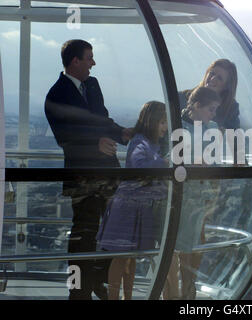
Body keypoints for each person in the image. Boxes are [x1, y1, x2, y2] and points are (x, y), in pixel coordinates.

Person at [45, 39, 132, 300]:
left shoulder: (92, 86)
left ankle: (97, 280)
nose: (93, 63)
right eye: (89, 58)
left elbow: (101, 120)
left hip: (107, 174)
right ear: (75, 61)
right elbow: (65, 138)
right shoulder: (56, 95)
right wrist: (96, 145)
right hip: (84, 179)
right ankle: (78, 292)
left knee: (113, 231)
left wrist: (122, 134)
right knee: (84, 235)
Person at [96, 101, 168, 300]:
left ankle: (127, 297)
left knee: (131, 258)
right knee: (121, 258)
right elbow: (139, 165)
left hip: (138, 206)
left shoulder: (150, 143)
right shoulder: (140, 141)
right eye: (162, 122)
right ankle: (113, 297)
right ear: (152, 121)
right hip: (129, 206)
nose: (165, 127)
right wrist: (163, 163)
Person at [163, 86, 221, 300]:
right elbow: (167, 157)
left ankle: (188, 293)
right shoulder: (175, 125)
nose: (213, 115)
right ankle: (170, 294)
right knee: (171, 250)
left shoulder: (212, 127)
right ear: (196, 106)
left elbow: (215, 159)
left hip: (198, 197)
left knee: (190, 249)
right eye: (211, 109)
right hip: (176, 195)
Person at [178, 59, 239, 130]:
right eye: (212, 73)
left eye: (219, 78)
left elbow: (235, 139)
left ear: (226, 86)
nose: (212, 79)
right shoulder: (181, 97)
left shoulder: (230, 109)